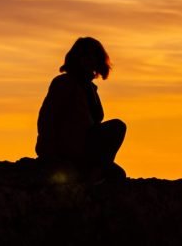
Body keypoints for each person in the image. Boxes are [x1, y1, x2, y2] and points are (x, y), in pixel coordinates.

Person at [36, 36, 127, 182]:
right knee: (117, 127)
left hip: (86, 149)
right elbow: (47, 118)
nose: (90, 60)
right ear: (77, 58)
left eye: (94, 56)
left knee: (118, 175)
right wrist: (49, 154)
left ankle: (95, 172)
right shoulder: (64, 83)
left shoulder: (90, 88)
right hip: (67, 148)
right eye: (86, 56)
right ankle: (92, 173)